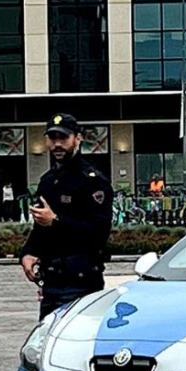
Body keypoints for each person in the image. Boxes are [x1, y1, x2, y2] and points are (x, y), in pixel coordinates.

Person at [19, 113, 114, 319]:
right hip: (51, 280)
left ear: (77, 139)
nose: (58, 144)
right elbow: (40, 227)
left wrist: (56, 221)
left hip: (81, 280)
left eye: (64, 138)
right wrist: (27, 253)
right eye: (53, 138)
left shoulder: (92, 181)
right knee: (47, 344)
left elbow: (99, 232)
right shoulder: (48, 181)